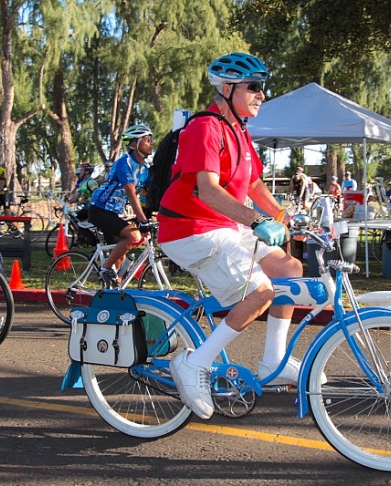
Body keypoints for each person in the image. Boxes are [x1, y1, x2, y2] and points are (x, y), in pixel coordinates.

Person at [157, 52, 303, 420]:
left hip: (223, 227)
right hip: (190, 230)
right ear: (228, 88)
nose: (261, 95)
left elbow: (252, 183)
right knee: (260, 292)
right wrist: (257, 222)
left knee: (290, 270)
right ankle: (194, 363)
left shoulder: (238, 129)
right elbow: (207, 189)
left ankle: (273, 362)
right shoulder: (205, 127)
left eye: (262, 87)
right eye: (253, 87)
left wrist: (284, 216)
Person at [89, 123, 153, 288]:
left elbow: (147, 194)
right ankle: (104, 268)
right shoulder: (124, 163)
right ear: (134, 144)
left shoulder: (144, 169)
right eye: (147, 139)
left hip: (114, 213)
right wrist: (143, 221)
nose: (151, 142)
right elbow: (131, 194)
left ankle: (110, 292)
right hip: (100, 209)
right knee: (133, 237)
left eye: (151, 139)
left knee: (121, 256)